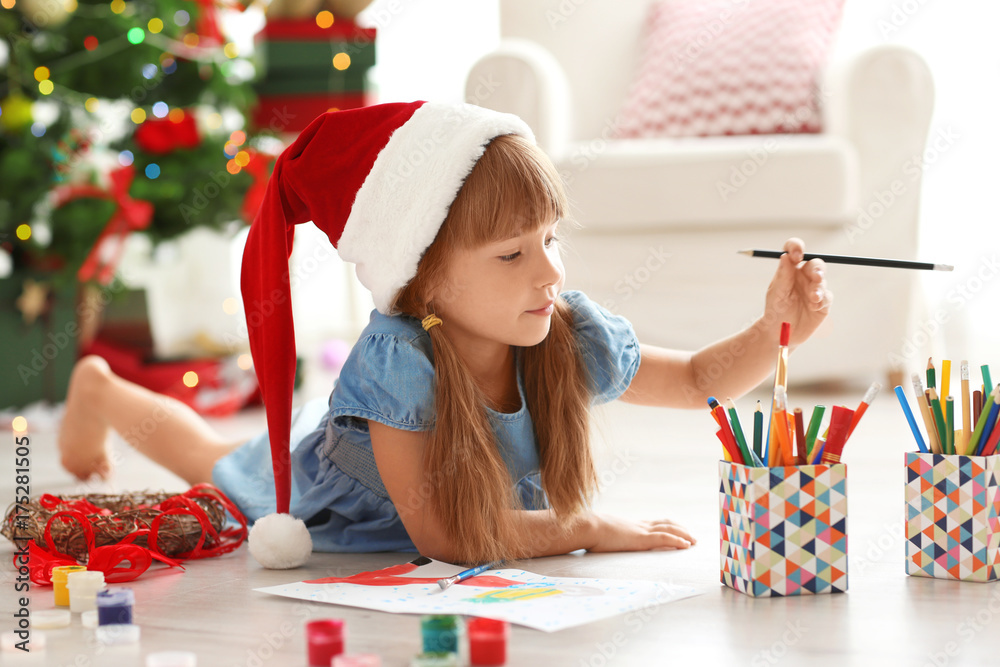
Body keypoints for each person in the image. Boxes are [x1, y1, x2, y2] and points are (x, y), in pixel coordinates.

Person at [58, 101, 831, 568]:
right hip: (348, 501)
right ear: (425, 279)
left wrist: (773, 329)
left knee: (217, 453)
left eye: (550, 239)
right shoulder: (401, 358)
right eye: (511, 254)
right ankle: (99, 389)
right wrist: (587, 527)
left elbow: (698, 381)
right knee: (215, 461)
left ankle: (101, 390)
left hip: (469, 512)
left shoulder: (563, 331)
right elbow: (445, 535)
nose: (551, 273)